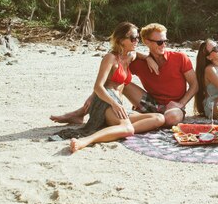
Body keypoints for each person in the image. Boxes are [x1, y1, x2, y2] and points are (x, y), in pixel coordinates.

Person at [50, 23, 198, 127]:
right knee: (123, 82)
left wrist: (181, 104)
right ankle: (81, 112)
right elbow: (112, 77)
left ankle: (131, 119)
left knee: (171, 118)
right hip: (151, 103)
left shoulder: (180, 58)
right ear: (147, 42)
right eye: (159, 42)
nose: (163, 45)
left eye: (165, 41)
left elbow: (194, 85)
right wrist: (94, 95)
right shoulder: (136, 61)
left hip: (174, 107)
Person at [58, 22, 165, 153]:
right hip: (106, 102)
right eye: (133, 38)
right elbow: (98, 86)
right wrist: (114, 103)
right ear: (121, 40)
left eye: (137, 38)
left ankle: (115, 131)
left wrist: (148, 59)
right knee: (129, 129)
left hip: (117, 105)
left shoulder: (130, 56)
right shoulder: (110, 58)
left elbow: (138, 54)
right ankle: (85, 141)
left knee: (159, 118)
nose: (136, 41)